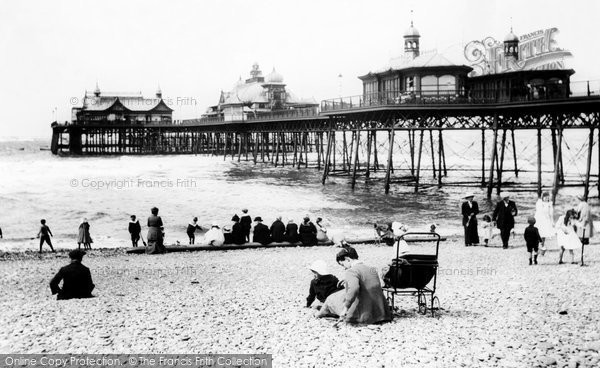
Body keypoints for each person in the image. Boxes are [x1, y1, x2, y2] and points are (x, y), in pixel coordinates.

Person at [317, 249, 391, 324]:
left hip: (363, 315)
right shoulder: (371, 268)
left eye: (343, 264)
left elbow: (354, 289)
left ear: (347, 259)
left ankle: (320, 314)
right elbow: (367, 283)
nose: (344, 268)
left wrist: (346, 308)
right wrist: (347, 280)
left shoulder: (351, 271)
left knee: (331, 298)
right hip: (382, 313)